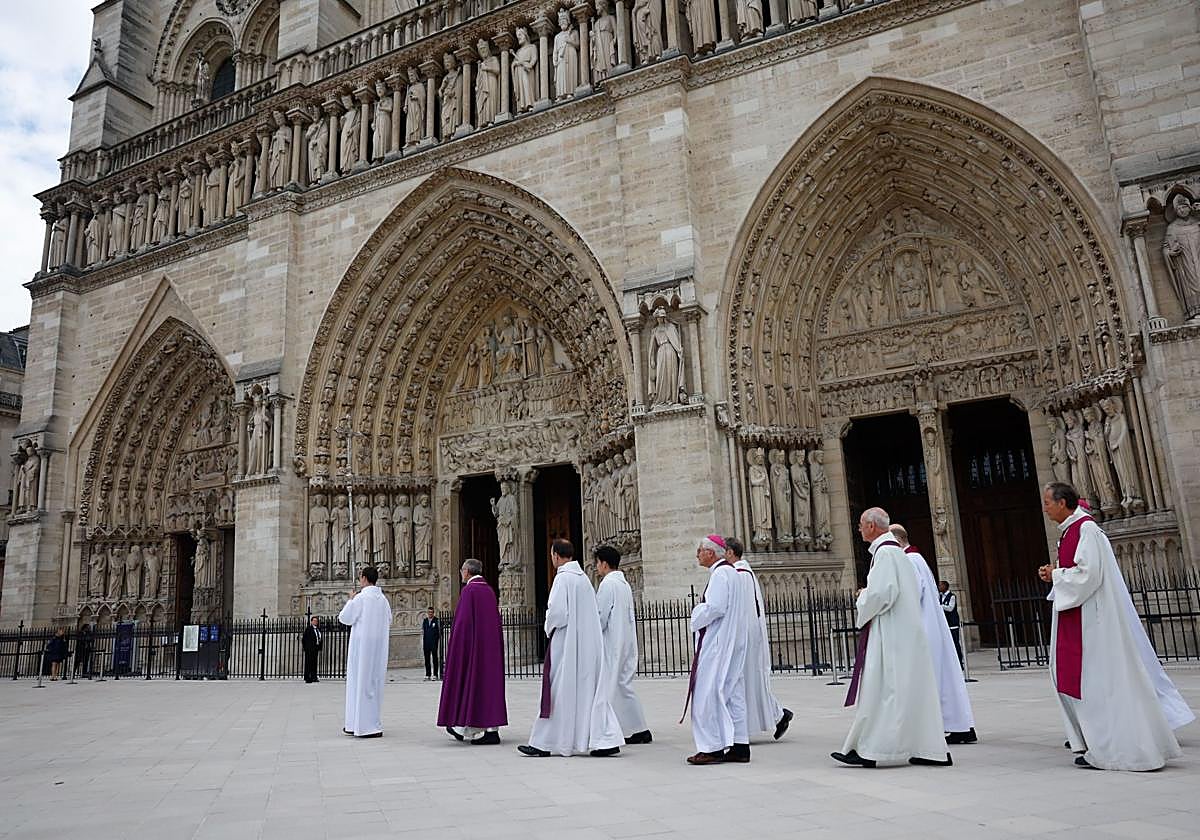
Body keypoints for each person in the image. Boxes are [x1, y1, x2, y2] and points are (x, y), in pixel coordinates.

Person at [1038, 482, 1181, 770]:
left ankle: (1110, 747)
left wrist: (1057, 574)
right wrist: (1055, 574)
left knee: (1096, 682)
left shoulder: (1087, 530)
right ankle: (1093, 741)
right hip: (1078, 616)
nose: (1045, 507)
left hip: (1092, 621)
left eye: (1048, 502)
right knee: (1076, 679)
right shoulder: (1070, 531)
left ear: (1063, 502)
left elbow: (1089, 575)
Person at [833, 507, 950, 768]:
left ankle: (874, 749)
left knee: (884, 691)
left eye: (861, 524)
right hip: (902, 632)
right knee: (908, 691)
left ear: (873, 526)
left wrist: (862, 597)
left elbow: (882, 594)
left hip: (890, 635)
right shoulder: (895, 552)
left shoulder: (885, 553)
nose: (859, 529)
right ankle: (925, 747)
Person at [518, 539, 623, 758]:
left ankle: (544, 743)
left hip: (566, 646)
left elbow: (557, 613)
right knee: (589, 693)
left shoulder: (562, 578)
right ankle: (605, 740)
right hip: (587, 647)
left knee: (557, 691)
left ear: (556, 555)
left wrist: (547, 625)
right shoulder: (583, 579)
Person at [889, 525, 977, 745]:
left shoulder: (909, 560)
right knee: (945, 676)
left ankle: (939, 727)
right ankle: (960, 725)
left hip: (923, 627)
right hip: (931, 625)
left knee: (931, 678)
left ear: (897, 542)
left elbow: (910, 593)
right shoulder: (917, 558)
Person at [684, 534, 751, 765]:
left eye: (700, 550)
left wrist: (696, 614)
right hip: (731, 641)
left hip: (718, 644)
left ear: (711, 553)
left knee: (707, 693)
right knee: (732, 693)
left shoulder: (721, 575)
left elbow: (715, 608)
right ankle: (740, 745)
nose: (697, 554)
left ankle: (711, 748)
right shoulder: (732, 573)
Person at [725, 536, 793, 741]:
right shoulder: (742, 572)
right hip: (745, 633)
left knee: (745, 679)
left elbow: (740, 608)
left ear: (730, 552)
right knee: (749, 680)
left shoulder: (740, 574)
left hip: (744, 634)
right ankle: (778, 714)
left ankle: (775, 715)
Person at [439, 559, 508, 745]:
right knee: (489, 686)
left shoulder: (469, 591)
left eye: (461, 570)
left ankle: (465, 727)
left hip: (474, 648)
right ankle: (490, 729)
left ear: (468, 571)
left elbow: (462, 624)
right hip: (490, 648)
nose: (461, 573)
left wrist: (457, 646)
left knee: (473, 684)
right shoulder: (488, 590)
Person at [595, 545, 652, 745]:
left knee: (611, 686)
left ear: (603, 563)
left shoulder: (607, 585)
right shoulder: (623, 584)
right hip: (626, 641)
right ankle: (638, 728)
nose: (596, 567)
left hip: (612, 643)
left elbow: (600, 616)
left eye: (597, 563)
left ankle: (614, 729)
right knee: (623, 686)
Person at [338, 567, 392, 738]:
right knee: (373, 685)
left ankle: (359, 725)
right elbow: (389, 620)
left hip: (361, 649)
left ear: (363, 578)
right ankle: (368, 723)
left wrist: (350, 600)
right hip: (378, 649)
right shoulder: (383, 600)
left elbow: (345, 618)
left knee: (358, 684)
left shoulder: (361, 598)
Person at [937, 580, 963, 666]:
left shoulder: (952, 596)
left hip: (952, 624)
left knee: (955, 643)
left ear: (945, 586)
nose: (939, 587)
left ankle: (960, 661)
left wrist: (939, 606)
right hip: (945, 624)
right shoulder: (939, 597)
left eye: (941, 585)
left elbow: (950, 608)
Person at [422, 607, 442, 681]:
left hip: (434, 643)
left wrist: (436, 640)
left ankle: (435, 674)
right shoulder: (425, 621)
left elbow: (439, 632)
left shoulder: (436, 620)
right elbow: (424, 632)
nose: (430, 613)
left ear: (433, 613)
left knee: (434, 659)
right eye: (429, 612)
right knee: (427, 659)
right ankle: (428, 674)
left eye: (431, 612)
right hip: (426, 643)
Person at [302, 615, 323, 684]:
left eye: (316, 621)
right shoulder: (309, 629)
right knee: (308, 663)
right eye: (314, 621)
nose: (315, 622)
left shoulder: (318, 629)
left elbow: (319, 638)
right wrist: (306, 648)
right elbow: (304, 639)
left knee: (314, 663)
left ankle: (314, 677)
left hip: (315, 649)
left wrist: (319, 646)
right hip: (309, 649)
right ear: (311, 622)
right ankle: (308, 677)